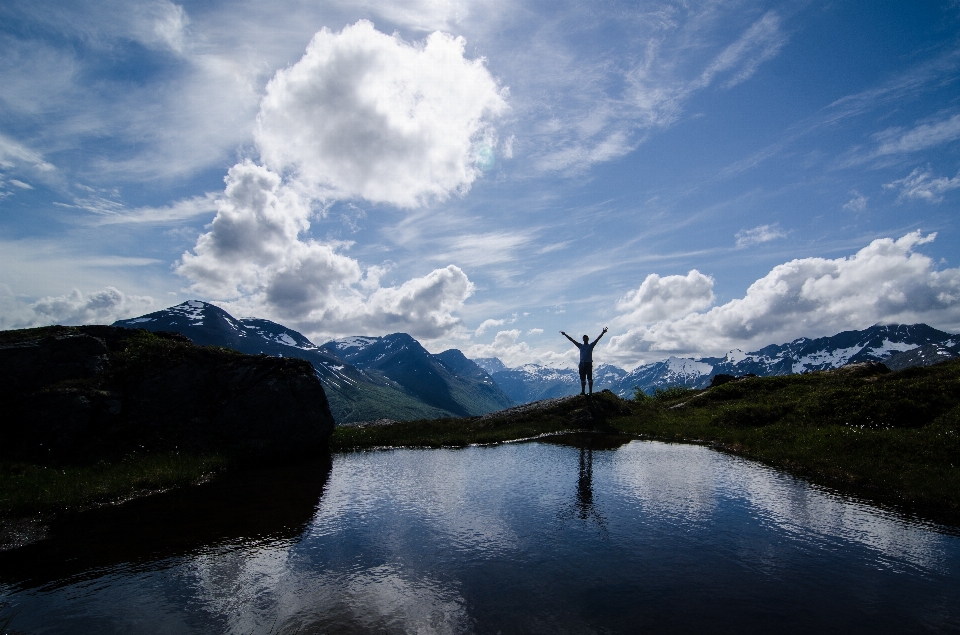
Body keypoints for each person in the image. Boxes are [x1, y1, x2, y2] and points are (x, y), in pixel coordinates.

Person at [561, 327, 608, 395]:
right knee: (582, 379)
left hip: (588, 363)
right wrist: (565, 334)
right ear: (583, 339)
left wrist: (603, 333)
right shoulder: (580, 346)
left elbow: (597, 339)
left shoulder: (591, 345)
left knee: (589, 378)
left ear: (588, 339)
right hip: (582, 363)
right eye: (584, 338)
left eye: (586, 338)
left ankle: (590, 391)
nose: (585, 339)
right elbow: (572, 340)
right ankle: (583, 391)